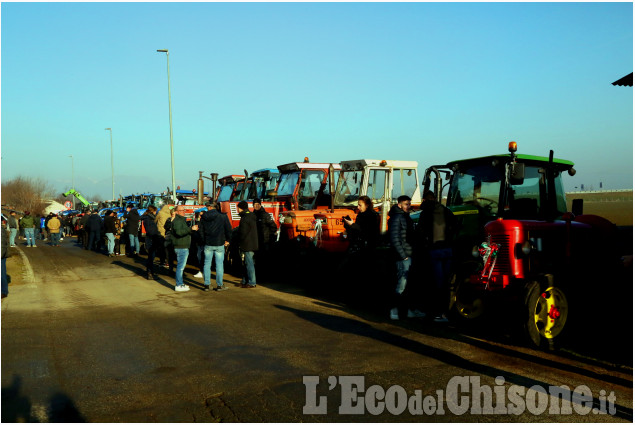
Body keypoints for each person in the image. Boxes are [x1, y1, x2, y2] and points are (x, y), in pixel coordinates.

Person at [416, 191, 457, 323]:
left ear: (424, 199)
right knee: (447, 282)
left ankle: (435, 311)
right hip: (448, 249)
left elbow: (420, 233)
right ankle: (446, 312)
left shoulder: (424, 213)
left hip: (434, 250)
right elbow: (456, 226)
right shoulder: (446, 211)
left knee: (436, 282)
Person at [388, 195, 425, 320]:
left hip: (409, 254)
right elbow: (394, 238)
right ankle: (394, 310)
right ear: (399, 205)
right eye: (406, 204)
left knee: (409, 284)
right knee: (401, 284)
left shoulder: (405, 217)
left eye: (409, 204)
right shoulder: (396, 218)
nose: (408, 206)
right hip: (403, 256)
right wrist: (403, 256)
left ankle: (408, 310)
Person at [199, 201, 232, 291]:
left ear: (209, 207)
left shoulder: (203, 217)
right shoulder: (223, 216)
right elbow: (228, 229)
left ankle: (207, 284)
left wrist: (203, 240)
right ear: (215, 207)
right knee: (219, 265)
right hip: (219, 243)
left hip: (208, 243)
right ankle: (219, 285)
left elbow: (200, 230)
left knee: (207, 264)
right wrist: (228, 240)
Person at [171, 205, 198, 292]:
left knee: (181, 266)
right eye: (181, 210)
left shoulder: (181, 220)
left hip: (182, 246)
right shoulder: (178, 221)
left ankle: (180, 283)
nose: (184, 211)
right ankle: (179, 285)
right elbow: (179, 232)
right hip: (181, 246)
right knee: (180, 267)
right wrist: (191, 229)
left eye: (184, 210)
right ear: (177, 212)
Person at [237, 200, 258, 288]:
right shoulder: (251, 216)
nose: (237, 210)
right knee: (248, 263)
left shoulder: (245, 218)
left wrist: (238, 240)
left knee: (249, 263)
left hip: (247, 244)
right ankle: (245, 281)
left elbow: (243, 232)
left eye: (237, 208)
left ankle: (252, 282)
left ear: (240, 208)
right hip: (252, 243)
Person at [141, 206, 160, 279]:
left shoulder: (147, 218)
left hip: (151, 239)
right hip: (152, 239)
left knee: (151, 257)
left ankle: (150, 272)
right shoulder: (149, 219)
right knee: (151, 257)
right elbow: (151, 230)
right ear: (152, 211)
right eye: (155, 211)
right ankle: (150, 273)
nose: (156, 213)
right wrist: (157, 234)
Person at [2, 217, 9, 300]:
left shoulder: (1, 230)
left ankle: (3, 291)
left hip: (1, 255)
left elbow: (2, 245)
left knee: (1, 274)